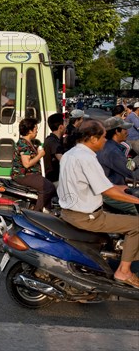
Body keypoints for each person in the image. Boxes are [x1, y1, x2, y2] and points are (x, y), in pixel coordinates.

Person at [58, 120, 139, 289]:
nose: (105, 140)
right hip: (87, 217)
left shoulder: (71, 154)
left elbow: (98, 184)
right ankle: (124, 271)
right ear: (93, 139)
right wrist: (136, 200)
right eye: (102, 137)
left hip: (69, 212)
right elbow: (107, 191)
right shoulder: (87, 157)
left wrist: (122, 188)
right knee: (136, 225)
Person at [96, 117, 139, 216]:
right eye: (125, 129)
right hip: (112, 194)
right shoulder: (112, 151)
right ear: (117, 131)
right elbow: (132, 171)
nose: (127, 132)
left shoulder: (110, 146)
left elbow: (130, 166)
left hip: (112, 188)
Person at [11, 118, 56, 212]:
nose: (37, 132)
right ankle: (37, 212)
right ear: (30, 131)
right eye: (35, 130)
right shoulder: (23, 144)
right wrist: (39, 155)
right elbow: (26, 164)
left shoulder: (30, 143)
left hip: (31, 174)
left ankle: (47, 212)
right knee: (48, 187)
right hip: (23, 175)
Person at [43, 113, 65, 185]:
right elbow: (63, 160)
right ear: (61, 127)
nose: (67, 127)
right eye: (66, 124)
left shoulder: (54, 139)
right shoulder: (53, 142)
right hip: (54, 179)